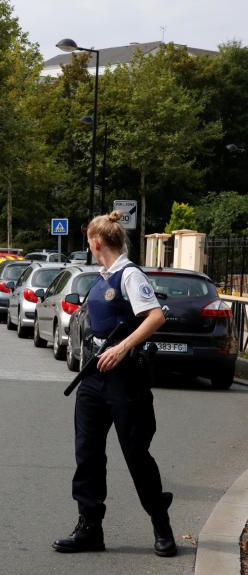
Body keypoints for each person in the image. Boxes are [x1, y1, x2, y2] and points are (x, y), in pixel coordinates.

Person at [53, 210, 176, 557]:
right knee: (88, 454)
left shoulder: (129, 275)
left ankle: (160, 522)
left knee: (136, 454)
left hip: (125, 378)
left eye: (89, 242)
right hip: (94, 375)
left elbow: (156, 316)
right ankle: (90, 527)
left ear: (96, 242)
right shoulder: (102, 276)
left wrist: (122, 348)